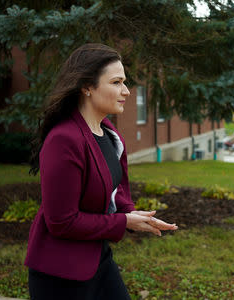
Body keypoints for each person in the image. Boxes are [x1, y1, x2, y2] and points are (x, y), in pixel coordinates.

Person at [25, 43, 178, 300]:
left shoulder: (108, 132)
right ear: (87, 86)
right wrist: (123, 222)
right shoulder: (64, 139)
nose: (126, 91)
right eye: (116, 82)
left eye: (125, 82)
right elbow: (62, 222)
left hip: (98, 260)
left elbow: (113, 191)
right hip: (62, 275)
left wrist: (133, 215)